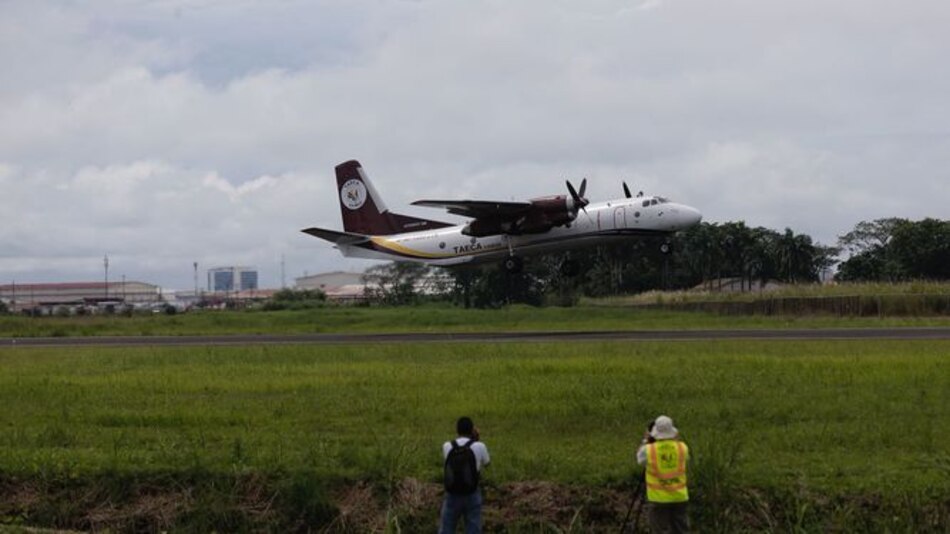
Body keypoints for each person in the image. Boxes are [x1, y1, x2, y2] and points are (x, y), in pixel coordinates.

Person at [636, 415, 690, 533]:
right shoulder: (682, 447)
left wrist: (646, 439)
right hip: (679, 497)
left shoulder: (649, 450)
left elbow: (639, 459)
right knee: (681, 530)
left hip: (658, 499)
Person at [439, 416, 490, 534]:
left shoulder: (447, 446)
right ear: (472, 430)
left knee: (446, 528)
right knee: (473, 528)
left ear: (457, 430)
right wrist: (477, 439)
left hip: (452, 493)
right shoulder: (480, 446)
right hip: (472, 492)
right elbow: (487, 463)